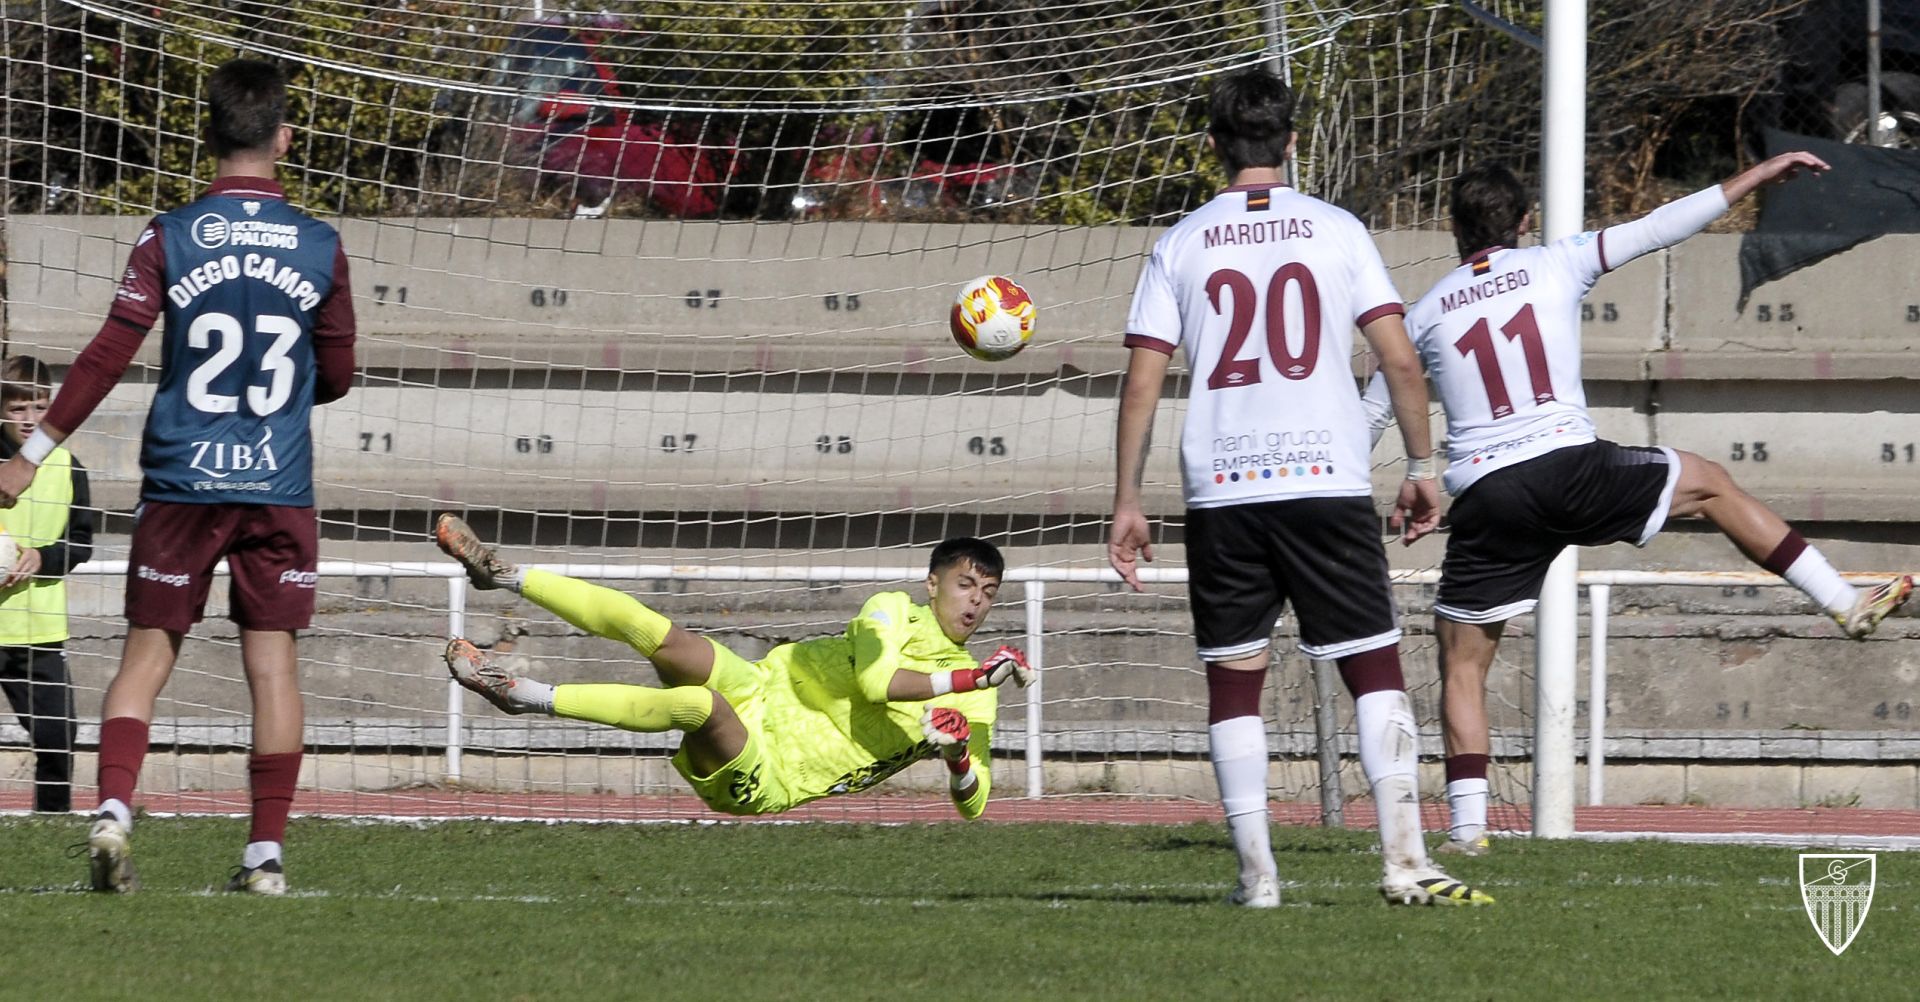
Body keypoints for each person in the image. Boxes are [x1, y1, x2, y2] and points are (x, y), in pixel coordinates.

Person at [1364, 154, 1913, 855]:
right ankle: (1841, 600)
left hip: (1491, 495)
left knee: (1464, 667)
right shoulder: (1556, 261)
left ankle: (1468, 834)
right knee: (1713, 482)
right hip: (1574, 470)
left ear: (1453, 229)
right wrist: (1754, 176)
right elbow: (1660, 226)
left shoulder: (1424, 312)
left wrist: (1406, 482)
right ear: (1525, 222)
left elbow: (1374, 412)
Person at [1107, 69, 1491, 908]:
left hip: (1223, 484)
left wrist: (1128, 500)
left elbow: (1143, 379)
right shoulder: (1337, 229)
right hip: (1325, 477)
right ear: (1290, 142)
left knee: (1234, 681)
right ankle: (1403, 864)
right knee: (1375, 667)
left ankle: (1259, 879)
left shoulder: (1181, 241)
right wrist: (1424, 469)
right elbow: (1397, 358)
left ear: (1214, 146)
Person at [0, 59, 358, 893]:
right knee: (272, 667)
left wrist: (31, 453)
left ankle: (116, 811)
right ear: (284, 137)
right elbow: (338, 375)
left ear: (206, 136)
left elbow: (106, 354)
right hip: (277, 482)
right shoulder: (319, 244)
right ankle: (264, 856)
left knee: (146, 655)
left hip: (181, 483)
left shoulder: (170, 233)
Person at [434, 515, 1032, 819]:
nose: (976, 601)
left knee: (701, 706)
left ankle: (524, 694)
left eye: (989, 592)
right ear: (933, 584)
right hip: (764, 689)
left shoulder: (978, 693)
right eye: (965, 584)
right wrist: (970, 677)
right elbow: (878, 684)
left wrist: (955, 757)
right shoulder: (891, 613)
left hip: (772, 774)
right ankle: (502, 573)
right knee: (663, 637)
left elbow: (973, 803)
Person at [0, 356, 95, 814]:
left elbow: (81, 544)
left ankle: (52, 822)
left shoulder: (68, 467)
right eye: (18, 409)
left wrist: (43, 557)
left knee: (58, 738)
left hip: (37, 632)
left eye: (39, 407)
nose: (29, 420)